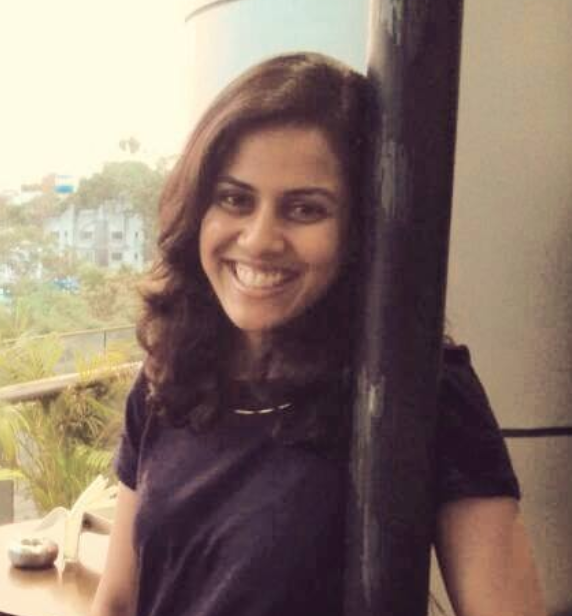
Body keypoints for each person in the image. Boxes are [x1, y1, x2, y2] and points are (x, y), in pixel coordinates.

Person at [91, 52, 546, 616]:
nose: (260, 240)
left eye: (305, 209)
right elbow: (117, 601)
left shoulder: (419, 390)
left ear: (360, 230)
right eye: (234, 199)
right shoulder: (169, 375)